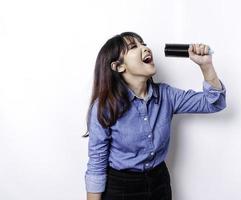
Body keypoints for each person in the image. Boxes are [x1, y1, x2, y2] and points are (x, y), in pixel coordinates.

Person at [83, 31, 226, 200]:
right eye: (134, 47)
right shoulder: (104, 107)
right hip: (120, 187)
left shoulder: (167, 95)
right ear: (119, 66)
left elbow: (214, 103)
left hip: (159, 183)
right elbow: (97, 162)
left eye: (143, 43)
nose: (145, 48)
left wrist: (206, 65)